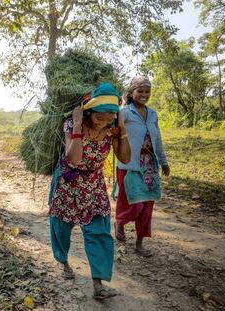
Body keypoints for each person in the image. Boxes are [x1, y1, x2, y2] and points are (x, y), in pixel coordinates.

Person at [49, 83, 131, 300]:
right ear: (89, 112)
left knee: (99, 230)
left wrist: (122, 131)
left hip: (93, 184)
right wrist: (77, 127)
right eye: (99, 118)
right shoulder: (72, 124)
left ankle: (98, 283)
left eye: (109, 117)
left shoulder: (113, 129)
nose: (104, 123)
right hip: (68, 182)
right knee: (61, 226)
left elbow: (125, 158)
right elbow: (74, 158)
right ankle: (63, 260)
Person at [114, 75, 170, 257]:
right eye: (140, 91)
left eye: (147, 91)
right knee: (133, 205)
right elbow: (114, 134)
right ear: (132, 92)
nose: (144, 94)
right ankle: (120, 222)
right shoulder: (124, 112)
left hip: (149, 167)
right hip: (129, 166)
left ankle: (139, 244)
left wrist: (163, 161)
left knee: (146, 208)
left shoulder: (152, 114)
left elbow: (158, 139)